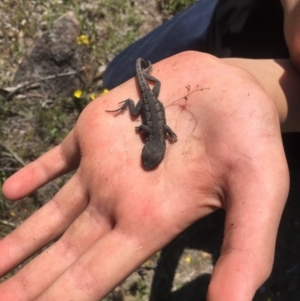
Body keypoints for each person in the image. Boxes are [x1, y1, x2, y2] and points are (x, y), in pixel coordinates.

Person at [1, 1, 300, 301]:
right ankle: (137, 76)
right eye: (151, 157)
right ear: (152, 147)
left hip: (159, 96)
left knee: (132, 85)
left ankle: (141, 76)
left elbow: (155, 129)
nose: (150, 159)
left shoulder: (153, 135)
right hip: (232, 17)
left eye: (150, 158)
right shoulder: (153, 134)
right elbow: (158, 129)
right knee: (120, 74)